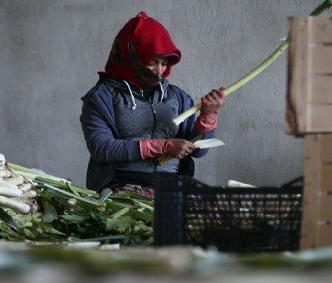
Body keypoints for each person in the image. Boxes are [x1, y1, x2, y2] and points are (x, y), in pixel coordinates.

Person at [80, 11, 226, 197]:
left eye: (164, 64)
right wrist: (163, 147)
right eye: (152, 62)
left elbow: (198, 152)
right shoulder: (101, 98)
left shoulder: (177, 97)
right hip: (122, 189)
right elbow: (102, 148)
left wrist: (208, 115)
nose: (160, 72)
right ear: (131, 56)